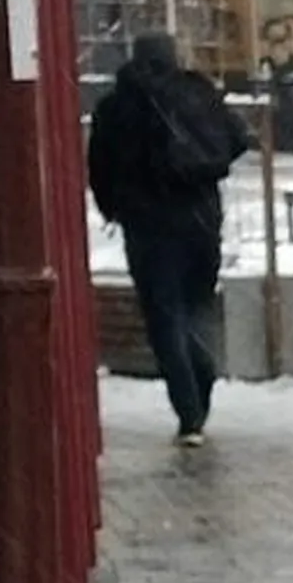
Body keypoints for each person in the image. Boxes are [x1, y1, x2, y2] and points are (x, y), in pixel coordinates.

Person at [86, 33, 254, 444]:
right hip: (200, 219)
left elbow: (99, 167)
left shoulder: (116, 106)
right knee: (197, 304)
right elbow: (236, 138)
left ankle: (189, 412)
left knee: (164, 317)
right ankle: (203, 367)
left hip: (148, 227)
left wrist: (117, 206)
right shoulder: (197, 93)